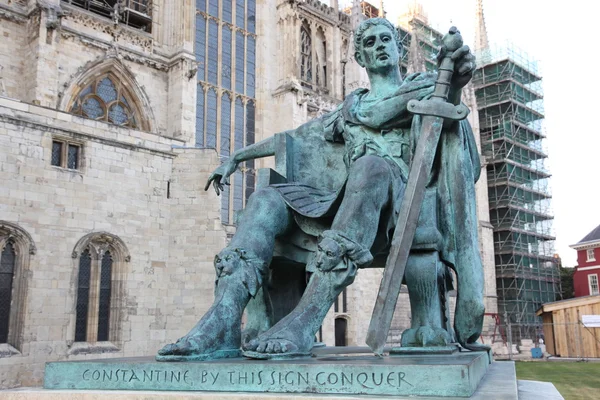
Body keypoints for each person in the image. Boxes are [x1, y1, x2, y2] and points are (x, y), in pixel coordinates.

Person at [157, 17, 485, 361]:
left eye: (385, 39)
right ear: (360, 57)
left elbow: (451, 125)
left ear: (398, 47)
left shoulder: (426, 89)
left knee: (370, 166)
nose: (379, 46)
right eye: (370, 43)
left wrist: (457, 86)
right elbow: (296, 137)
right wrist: (238, 156)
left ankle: (305, 319)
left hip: (401, 198)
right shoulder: (351, 109)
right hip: (348, 200)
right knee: (265, 200)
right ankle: (222, 321)